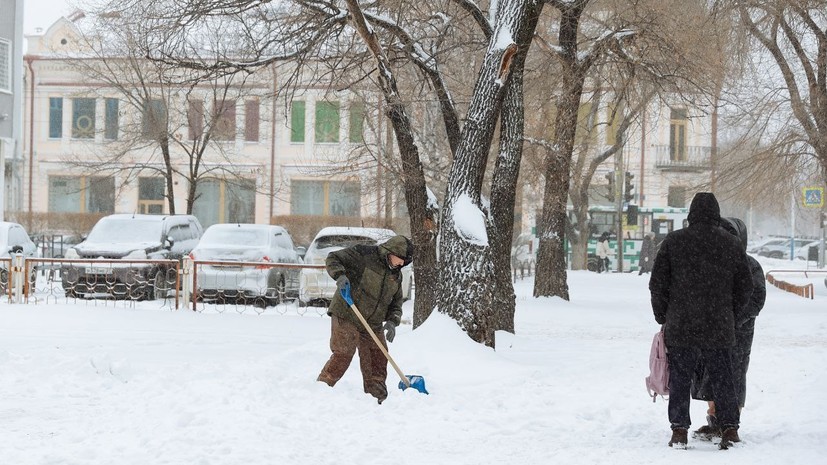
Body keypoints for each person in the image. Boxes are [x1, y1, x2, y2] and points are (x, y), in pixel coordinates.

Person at [648, 193, 753, 450]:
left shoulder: (674, 242)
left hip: (682, 323)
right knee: (723, 377)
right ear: (716, 214)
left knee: (681, 378)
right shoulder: (730, 244)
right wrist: (732, 315)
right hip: (719, 324)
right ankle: (729, 428)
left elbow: (657, 285)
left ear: (691, 214)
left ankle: (679, 430)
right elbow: (746, 287)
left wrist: (663, 315)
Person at [691, 217, 766, 439]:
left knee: (733, 375)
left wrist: (733, 321)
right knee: (709, 375)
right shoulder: (711, 261)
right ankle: (714, 419)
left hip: (738, 333)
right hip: (712, 330)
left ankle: (730, 422)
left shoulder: (750, 265)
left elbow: (756, 299)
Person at [317, 235, 413, 404]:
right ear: (391, 252)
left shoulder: (396, 275)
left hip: (373, 322)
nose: (402, 264)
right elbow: (333, 257)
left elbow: (396, 303)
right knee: (344, 352)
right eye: (401, 259)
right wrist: (340, 276)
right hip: (347, 312)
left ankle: (376, 398)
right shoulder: (364, 254)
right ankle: (322, 388)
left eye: (405, 262)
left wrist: (392, 321)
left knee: (378, 356)